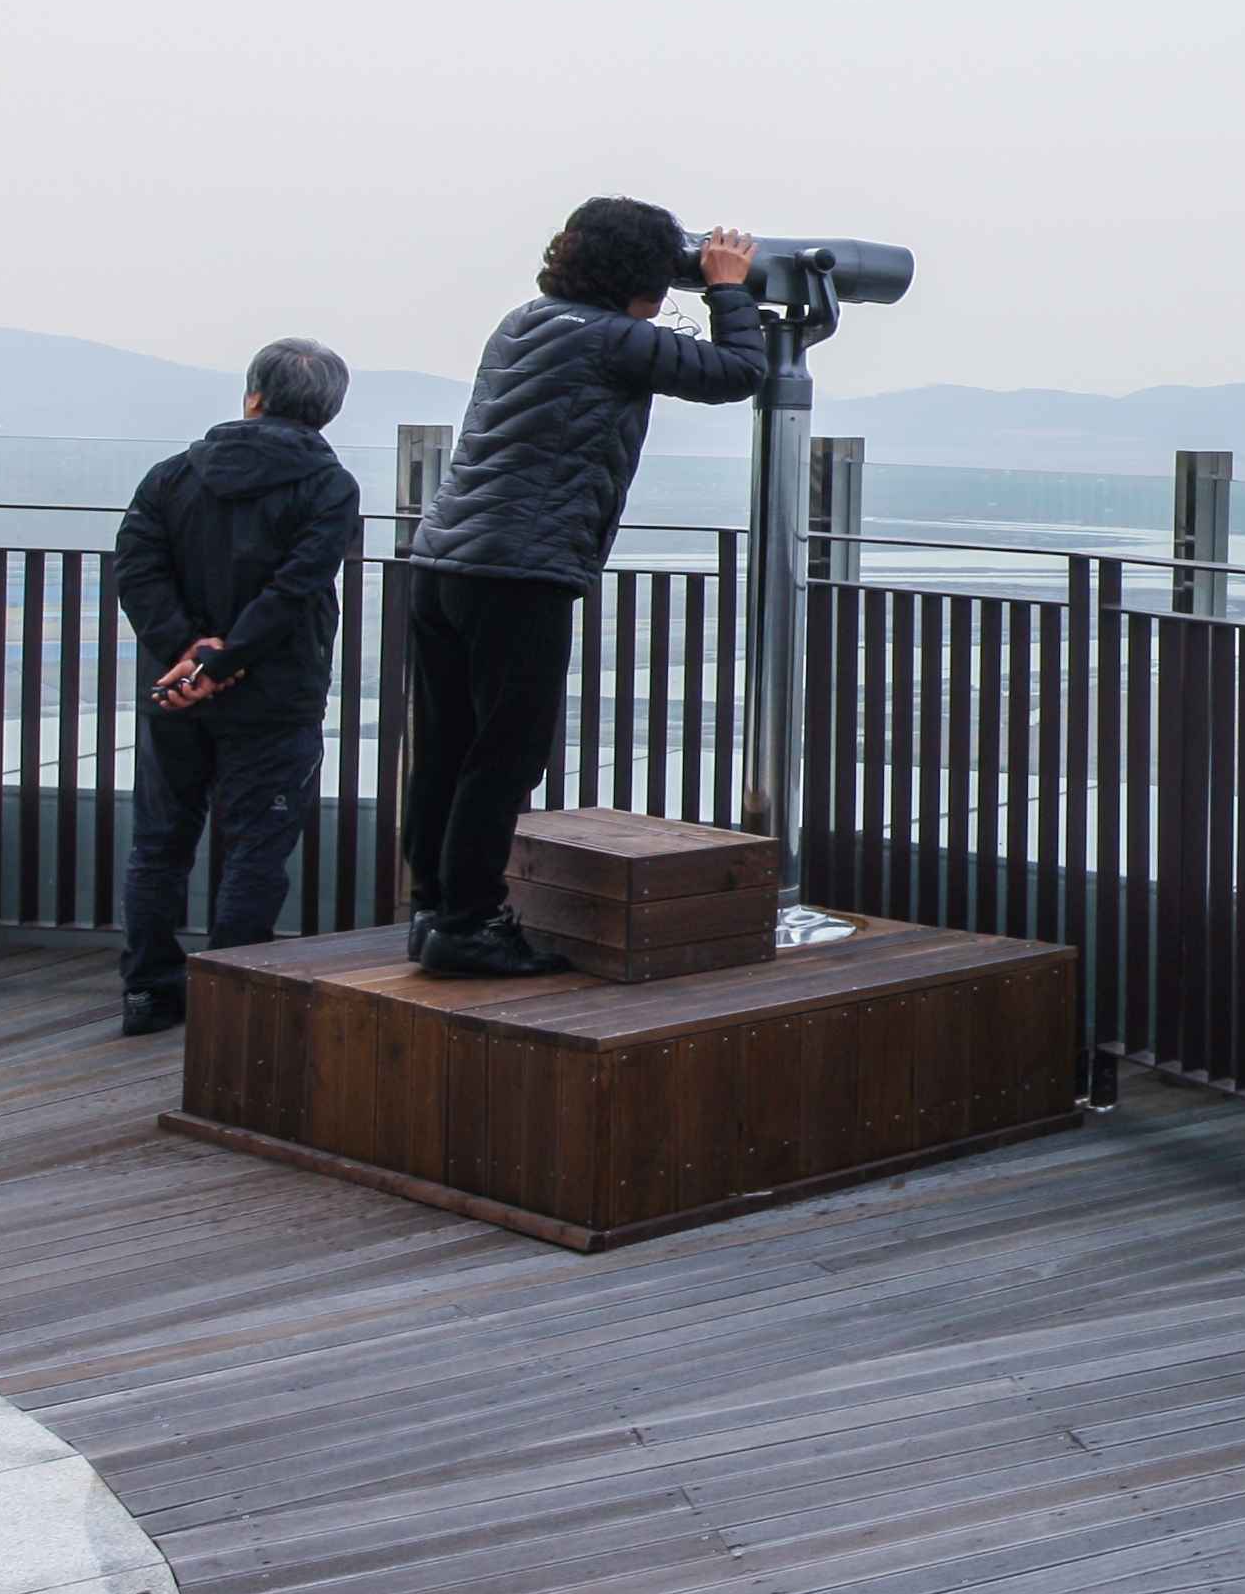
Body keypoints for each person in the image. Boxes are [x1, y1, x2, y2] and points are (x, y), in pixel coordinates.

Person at [397, 199, 770, 974]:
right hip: (517, 572)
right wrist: (727, 288)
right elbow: (738, 373)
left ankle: (433, 910)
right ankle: (468, 925)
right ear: (641, 272)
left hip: (442, 562)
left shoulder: (525, 321)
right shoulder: (612, 339)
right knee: (506, 754)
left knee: (446, 747)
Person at [110, 338, 364, 1035]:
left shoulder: (171, 476)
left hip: (177, 689)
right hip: (277, 695)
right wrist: (227, 659)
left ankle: (148, 991)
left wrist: (188, 655)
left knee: (160, 843)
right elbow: (296, 588)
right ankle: (230, 1001)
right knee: (257, 847)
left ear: (253, 397)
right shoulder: (330, 487)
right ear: (328, 411)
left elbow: (136, 567)